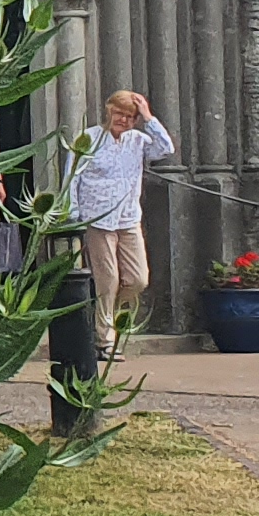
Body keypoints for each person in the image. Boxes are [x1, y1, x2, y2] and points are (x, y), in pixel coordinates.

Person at [69, 89, 176, 355]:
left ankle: (105, 317)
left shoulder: (138, 140)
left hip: (128, 218)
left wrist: (149, 116)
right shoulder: (89, 138)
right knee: (108, 279)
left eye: (130, 116)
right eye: (119, 113)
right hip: (98, 218)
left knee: (138, 279)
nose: (123, 120)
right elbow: (72, 176)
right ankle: (105, 341)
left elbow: (166, 149)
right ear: (108, 110)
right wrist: (72, 213)